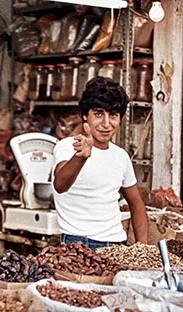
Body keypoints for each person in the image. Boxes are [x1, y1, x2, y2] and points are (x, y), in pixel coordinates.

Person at [52, 77, 148, 250]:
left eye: (113, 115)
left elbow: (136, 204)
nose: (106, 124)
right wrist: (82, 156)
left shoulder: (121, 156)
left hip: (117, 244)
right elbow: (60, 185)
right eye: (98, 114)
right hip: (78, 247)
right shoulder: (67, 147)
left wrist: (143, 248)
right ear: (84, 116)